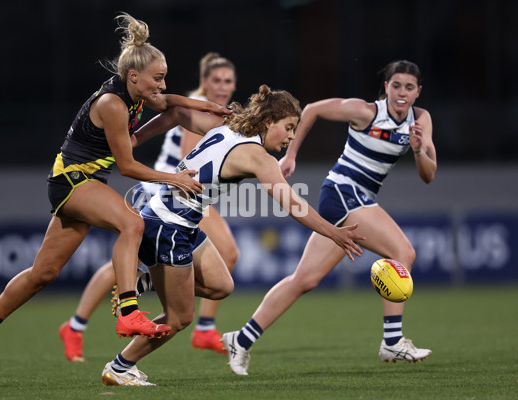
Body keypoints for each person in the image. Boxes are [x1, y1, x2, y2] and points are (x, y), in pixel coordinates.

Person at [0, 13, 231, 379]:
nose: (161, 84)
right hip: (72, 181)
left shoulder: (135, 91)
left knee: (44, 272)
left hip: (81, 181)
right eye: (158, 77)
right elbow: (128, 167)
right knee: (132, 223)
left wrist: (205, 106)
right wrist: (174, 178)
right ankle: (129, 310)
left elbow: (168, 104)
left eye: (163, 77)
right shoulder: (113, 104)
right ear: (134, 76)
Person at [100, 84, 365, 386]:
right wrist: (334, 233)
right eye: (289, 127)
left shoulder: (227, 123)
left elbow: (177, 113)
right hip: (168, 226)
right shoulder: (258, 157)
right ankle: (120, 367)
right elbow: (293, 205)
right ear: (268, 122)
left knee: (221, 285)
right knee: (180, 317)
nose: (292, 136)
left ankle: (143, 282)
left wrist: (135, 139)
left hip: (178, 223)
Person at [222, 60, 437, 376]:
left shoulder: (421, 120)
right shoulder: (366, 112)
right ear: (386, 87)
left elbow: (428, 175)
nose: (401, 93)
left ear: (418, 92)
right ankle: (392, 341)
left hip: (357, 198)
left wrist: (419, 151)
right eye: (395, 85)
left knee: (304, 280)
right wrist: (291, 154)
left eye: (408, 87)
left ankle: (240, 339)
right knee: (403, 253)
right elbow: (312, 109)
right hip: (342, 192)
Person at [58, 52, 239, 362]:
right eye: (217, 80)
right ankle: (77, 326)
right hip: (168, 188)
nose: (223, 87)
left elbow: (167, 110)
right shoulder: (192, 104)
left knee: (145, 260)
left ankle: (195, 320)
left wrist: (138, 138)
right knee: (132, 257)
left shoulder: (205, 108)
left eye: (229, 81)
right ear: (205, 82)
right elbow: (192, 157)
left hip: (183, 191)